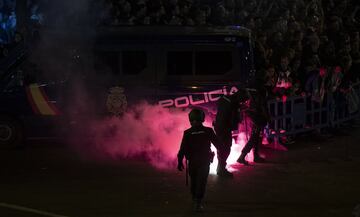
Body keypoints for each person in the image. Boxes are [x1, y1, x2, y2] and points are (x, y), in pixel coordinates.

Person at [177, 108, 220, 212]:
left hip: (193, 162)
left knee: (195, 181)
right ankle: (198, 201)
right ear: (203, 119)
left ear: (190, 120)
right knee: (201, 182)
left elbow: (182, 149)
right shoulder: (208, 131)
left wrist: (179, 162)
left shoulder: (187, 133)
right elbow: (219, 145)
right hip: (204, 161)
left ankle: (195, 199)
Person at [214, 88, 250, 177]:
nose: (242, 102)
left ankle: (220, 168)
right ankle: (221, 169)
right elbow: (236, 120)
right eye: (242, 101)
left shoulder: (224, 98)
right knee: (226, 148)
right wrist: (239, 110)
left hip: (218, 126)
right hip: (224, 128)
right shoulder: (234, 104)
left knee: (221, 147)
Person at [237, 86, 270, 165]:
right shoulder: (261, 98)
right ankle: (241, 157)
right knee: (254, 139)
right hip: (258, 121)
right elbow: (264, 109)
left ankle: (255, 156)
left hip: (255, 120)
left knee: (256, 139)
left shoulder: (254, 98)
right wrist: (268, 118)